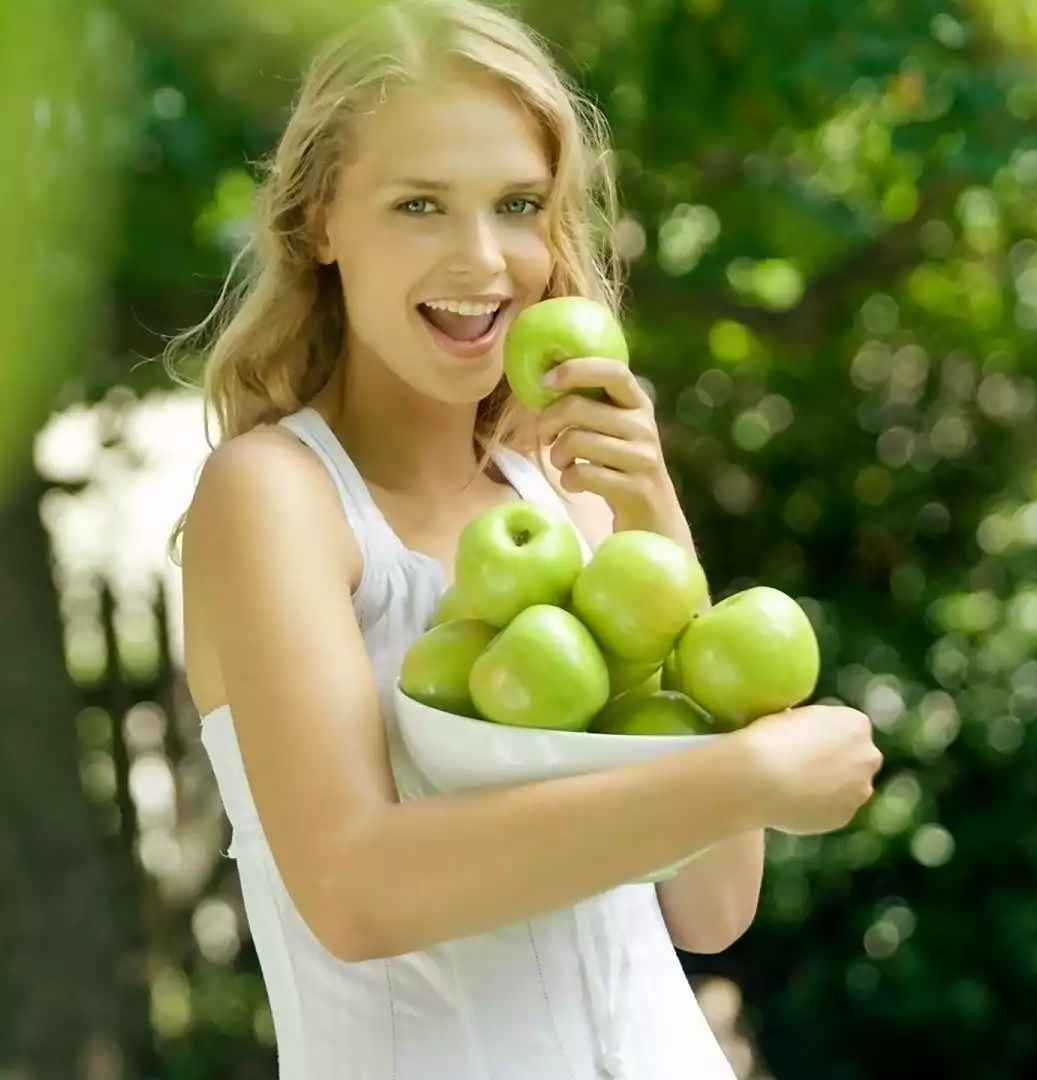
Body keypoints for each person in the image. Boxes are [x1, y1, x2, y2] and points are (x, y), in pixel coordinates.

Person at [169, 1, 885, 1076]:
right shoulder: (274, 497)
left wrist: (653, 516)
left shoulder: (571, 504)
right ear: (321, 221)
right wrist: (745, 774)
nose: (484, 260)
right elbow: (358, 891)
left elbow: (710, 904)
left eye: (518, 204)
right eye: (420, 204)